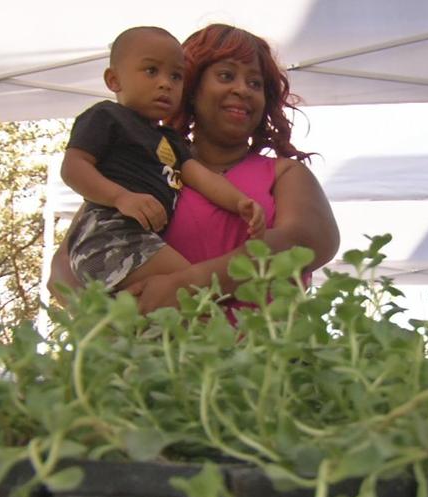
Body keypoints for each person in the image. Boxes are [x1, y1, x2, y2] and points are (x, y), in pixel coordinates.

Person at [49, 24, 340, 313]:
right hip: (160, 355)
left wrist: (189, 285)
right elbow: (65, 267)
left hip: (265, 355)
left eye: (255, 83)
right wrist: (108, 322)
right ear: (192, 87)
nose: (242, 89)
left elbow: (307, 241)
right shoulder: (141, 170)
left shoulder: (284, 174)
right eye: (226, 76)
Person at [62, 26, 266, 292]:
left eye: (176, 76)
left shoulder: (169, 139)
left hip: (142, 238)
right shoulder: (106, 117)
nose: (165, 83)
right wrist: (120, 197)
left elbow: (201, 176)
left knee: (158, 316)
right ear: (114, 80)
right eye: (151, 71)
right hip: (109, 234)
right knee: (198, 291)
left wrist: (239, 201)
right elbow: (73, 167)